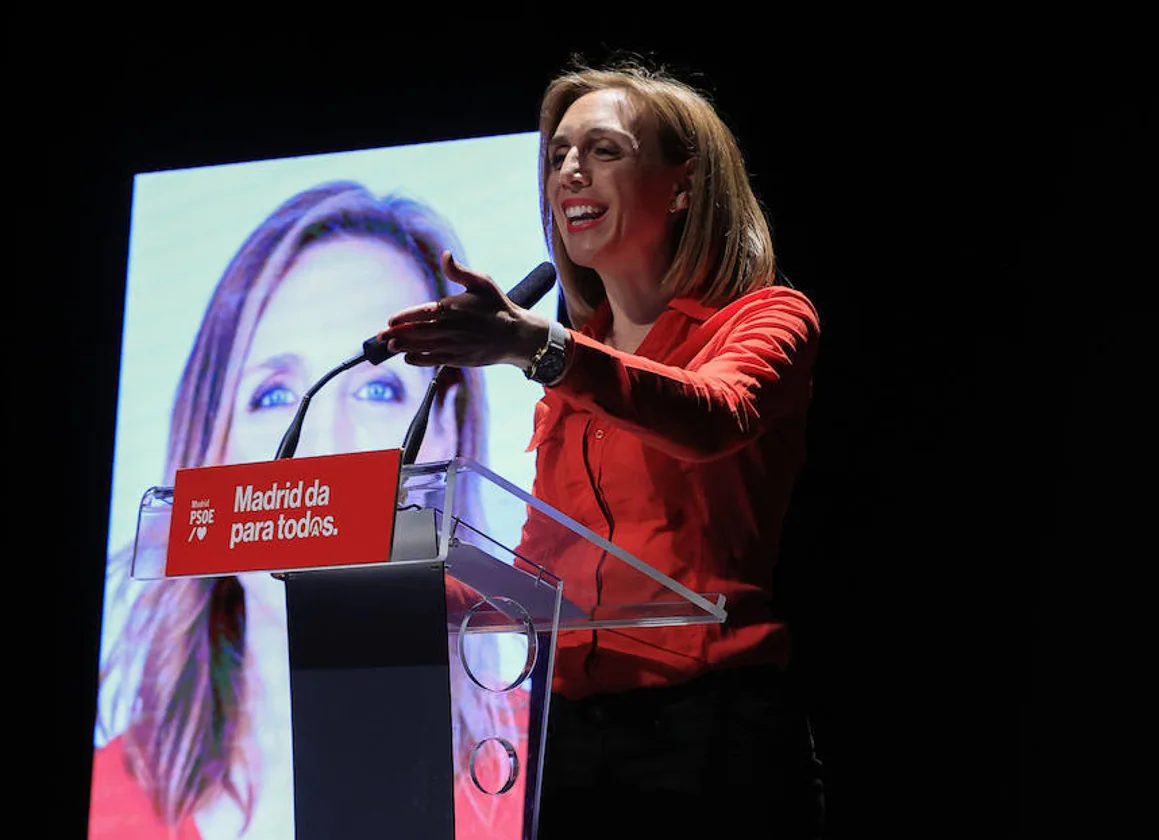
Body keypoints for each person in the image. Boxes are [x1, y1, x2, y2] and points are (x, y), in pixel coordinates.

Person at [376, 61, 825, 839]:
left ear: (683, 185)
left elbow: (716, 414)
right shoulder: (574, 370)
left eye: (604, 150)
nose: (570, 171)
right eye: (557, 155)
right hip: (570, 737)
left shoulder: (765, 318)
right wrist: (384, 573)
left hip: (712, 733)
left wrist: (541, 347)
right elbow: (538, 584)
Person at [89, 181, 527, 839]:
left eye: (379, 389)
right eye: (272, 397)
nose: (328, 449)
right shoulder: (107, 800)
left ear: (448, 437)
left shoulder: (536, 766)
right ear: (209, 455)